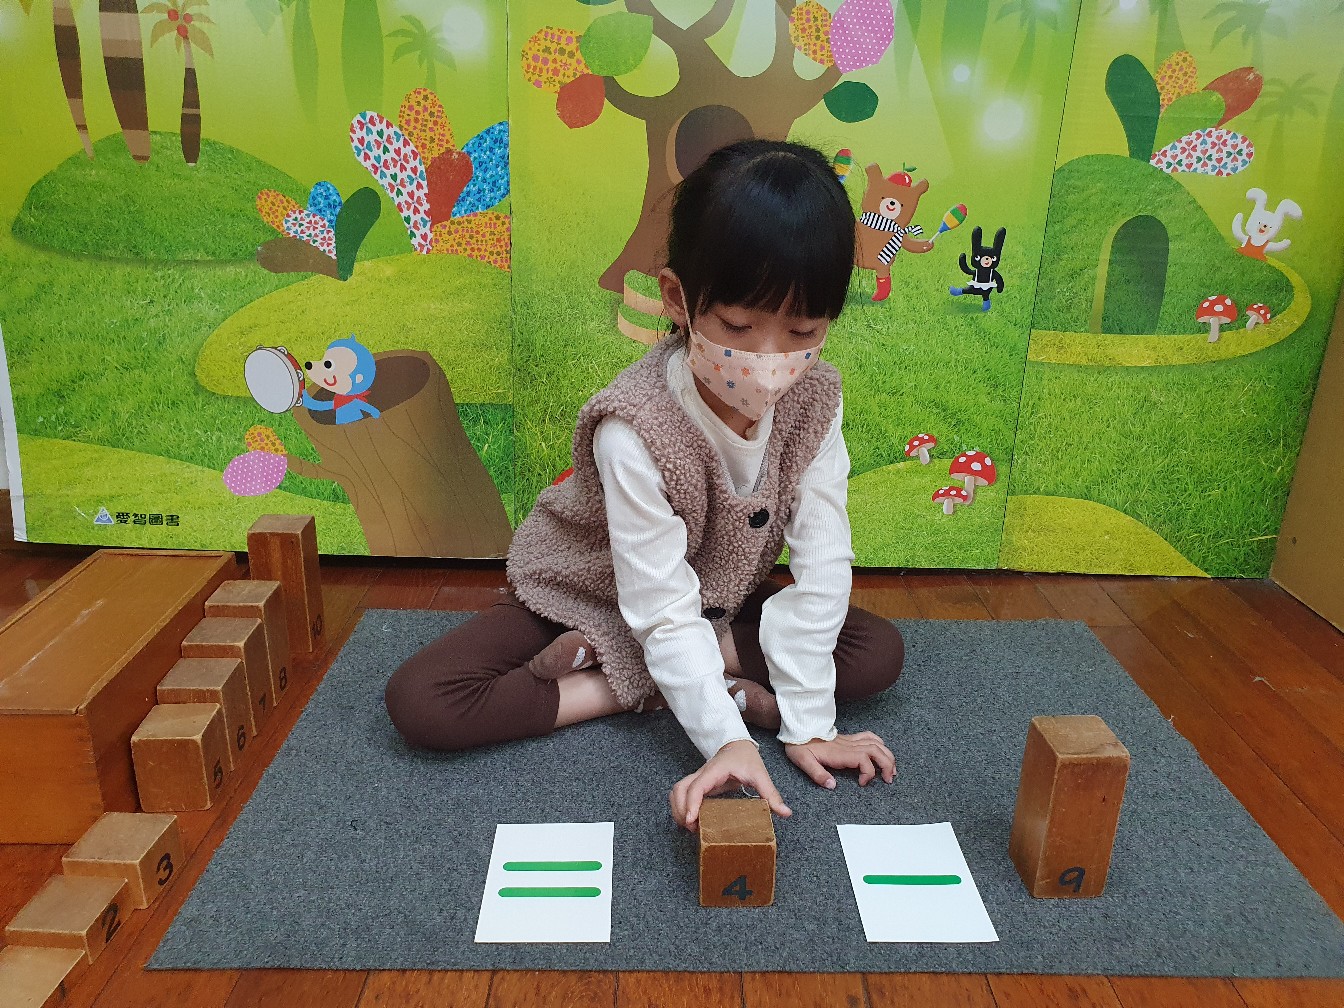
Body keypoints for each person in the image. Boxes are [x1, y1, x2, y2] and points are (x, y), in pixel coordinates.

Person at [385, 138, 904, 831]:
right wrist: (728, 739)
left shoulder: (816, 401)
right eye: (739, 326)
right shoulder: (634, 427)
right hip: (585, 590)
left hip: (712, 598)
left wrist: (810, 724)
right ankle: (648, 683)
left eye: (802, 331)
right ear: (678, 299)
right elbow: (659, 607)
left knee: (875, 652)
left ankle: (632, 675)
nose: (770, 361)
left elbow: (825, 555)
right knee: (423, 700)